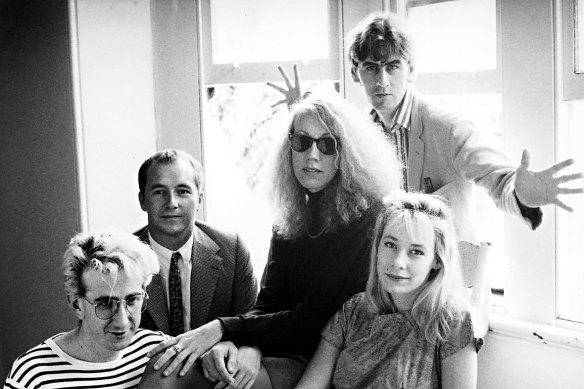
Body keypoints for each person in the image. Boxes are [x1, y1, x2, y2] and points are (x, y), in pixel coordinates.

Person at [268, 12, 583, 282]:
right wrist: (300, 110)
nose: (382, 81)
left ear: (411, 69)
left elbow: (499, 178)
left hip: (449, 283)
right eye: (370, 68)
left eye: (392, 66)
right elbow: (328, 181)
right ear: (355, 72)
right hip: (388, 284)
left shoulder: (448, 127)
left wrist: (521, 194)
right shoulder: (357, 135)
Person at [137, 93, 402, 389]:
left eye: (327, 145)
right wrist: (247, 347)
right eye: (302, 142)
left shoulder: (368, 217)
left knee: (176, 379)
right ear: (289, 148)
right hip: (284, 350)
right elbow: (270, 300)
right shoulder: (292, 216)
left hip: (334, 358)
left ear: (347, 153)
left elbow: (311, 322)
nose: (312, 156)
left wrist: (222, 330)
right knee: (164, 373)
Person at [295, 192, 478, 389]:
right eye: (390, 245)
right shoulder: (353, 310)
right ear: (377, 248)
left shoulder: (453, 322)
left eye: (416, 252)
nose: (398, 262)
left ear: (436, 260)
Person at [3, 230, 169, 389]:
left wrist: (196, 337)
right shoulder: (34, 374)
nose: (122, 321)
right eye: (105, 304)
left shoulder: (159, 350)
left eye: (132, 300)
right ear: (76, 304)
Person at [136, 149, 258, 336]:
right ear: (142, 200)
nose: (172, 203)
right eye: (159, 192)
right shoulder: (120, 259)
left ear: (199, 200)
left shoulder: (232, 250)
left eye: (182, 191)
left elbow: (250, 326)